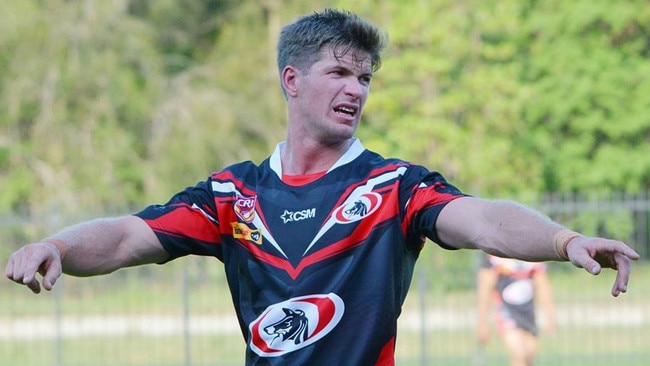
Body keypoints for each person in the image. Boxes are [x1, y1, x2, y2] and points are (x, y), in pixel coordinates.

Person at [5, 8, 639, 366]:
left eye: (364, 78)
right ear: (291, 80)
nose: (355, 90)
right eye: (339, 72)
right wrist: (58, 245)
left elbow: (480, 220)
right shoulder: (233, 196)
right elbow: (124, 238)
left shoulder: (393, 185)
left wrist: (563, 239)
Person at [476, 254, 556, 366]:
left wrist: (550, 316)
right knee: (519, 354)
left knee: (529, 355)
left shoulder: (532, 257)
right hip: (507, 312)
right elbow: (485, 290)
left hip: (528, 313)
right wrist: (482, 323)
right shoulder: (495, 259)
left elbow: (543, 285)